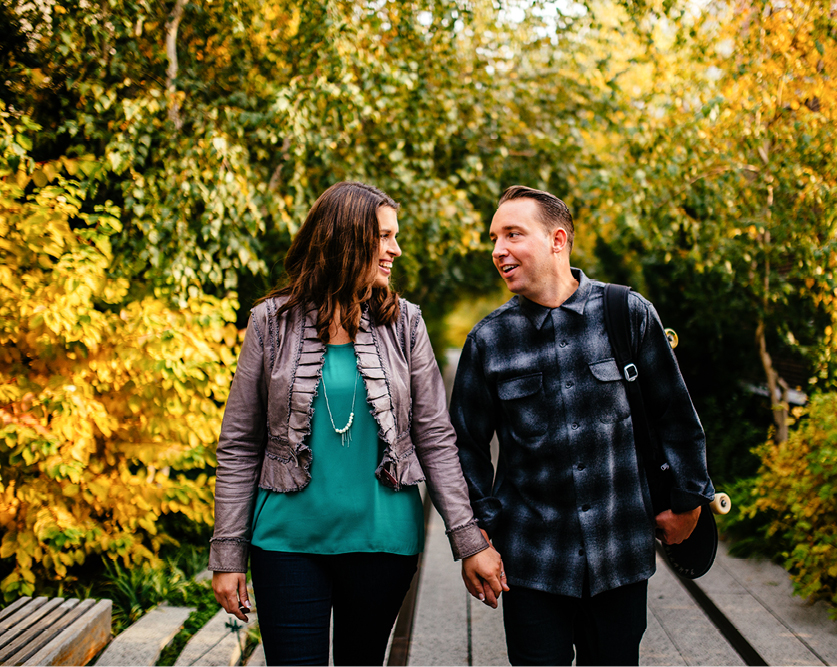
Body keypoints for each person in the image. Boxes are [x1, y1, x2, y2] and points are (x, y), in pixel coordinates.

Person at [209, 181, 506, 666]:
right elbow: (240, 445)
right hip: (285, 543)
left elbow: (434, 438)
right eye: (385, 236)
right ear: (346, 240)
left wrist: (468, 539)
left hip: (383, 543)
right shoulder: (269, 324)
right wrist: (226, 554)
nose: (397, 249)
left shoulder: (406, 324)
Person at [450, 185, 715, 666]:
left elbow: (676, 415)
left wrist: (689, 501)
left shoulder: (628, 315)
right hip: (531, 565)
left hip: (621, 557)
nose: (497, 250)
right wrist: (477, 536)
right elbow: (463, 446)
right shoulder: (488, 341)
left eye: (513, 234)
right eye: (494, 237)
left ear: (557, 240)